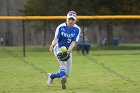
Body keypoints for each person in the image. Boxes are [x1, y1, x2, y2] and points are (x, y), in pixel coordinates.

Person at [48, 11, 81, 89]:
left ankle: (51, 76)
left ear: (75, 20)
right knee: (62, 64)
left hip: (68, 50)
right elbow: (56, 38)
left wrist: (68, 51)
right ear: (66, 19)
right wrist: (52, 45)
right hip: (58, 48)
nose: (71, 21)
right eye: (69, 19)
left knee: (67, 73)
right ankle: (63, 80)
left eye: (73, 19)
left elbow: (73, 42)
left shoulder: (77, 29)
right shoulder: (61, 27)